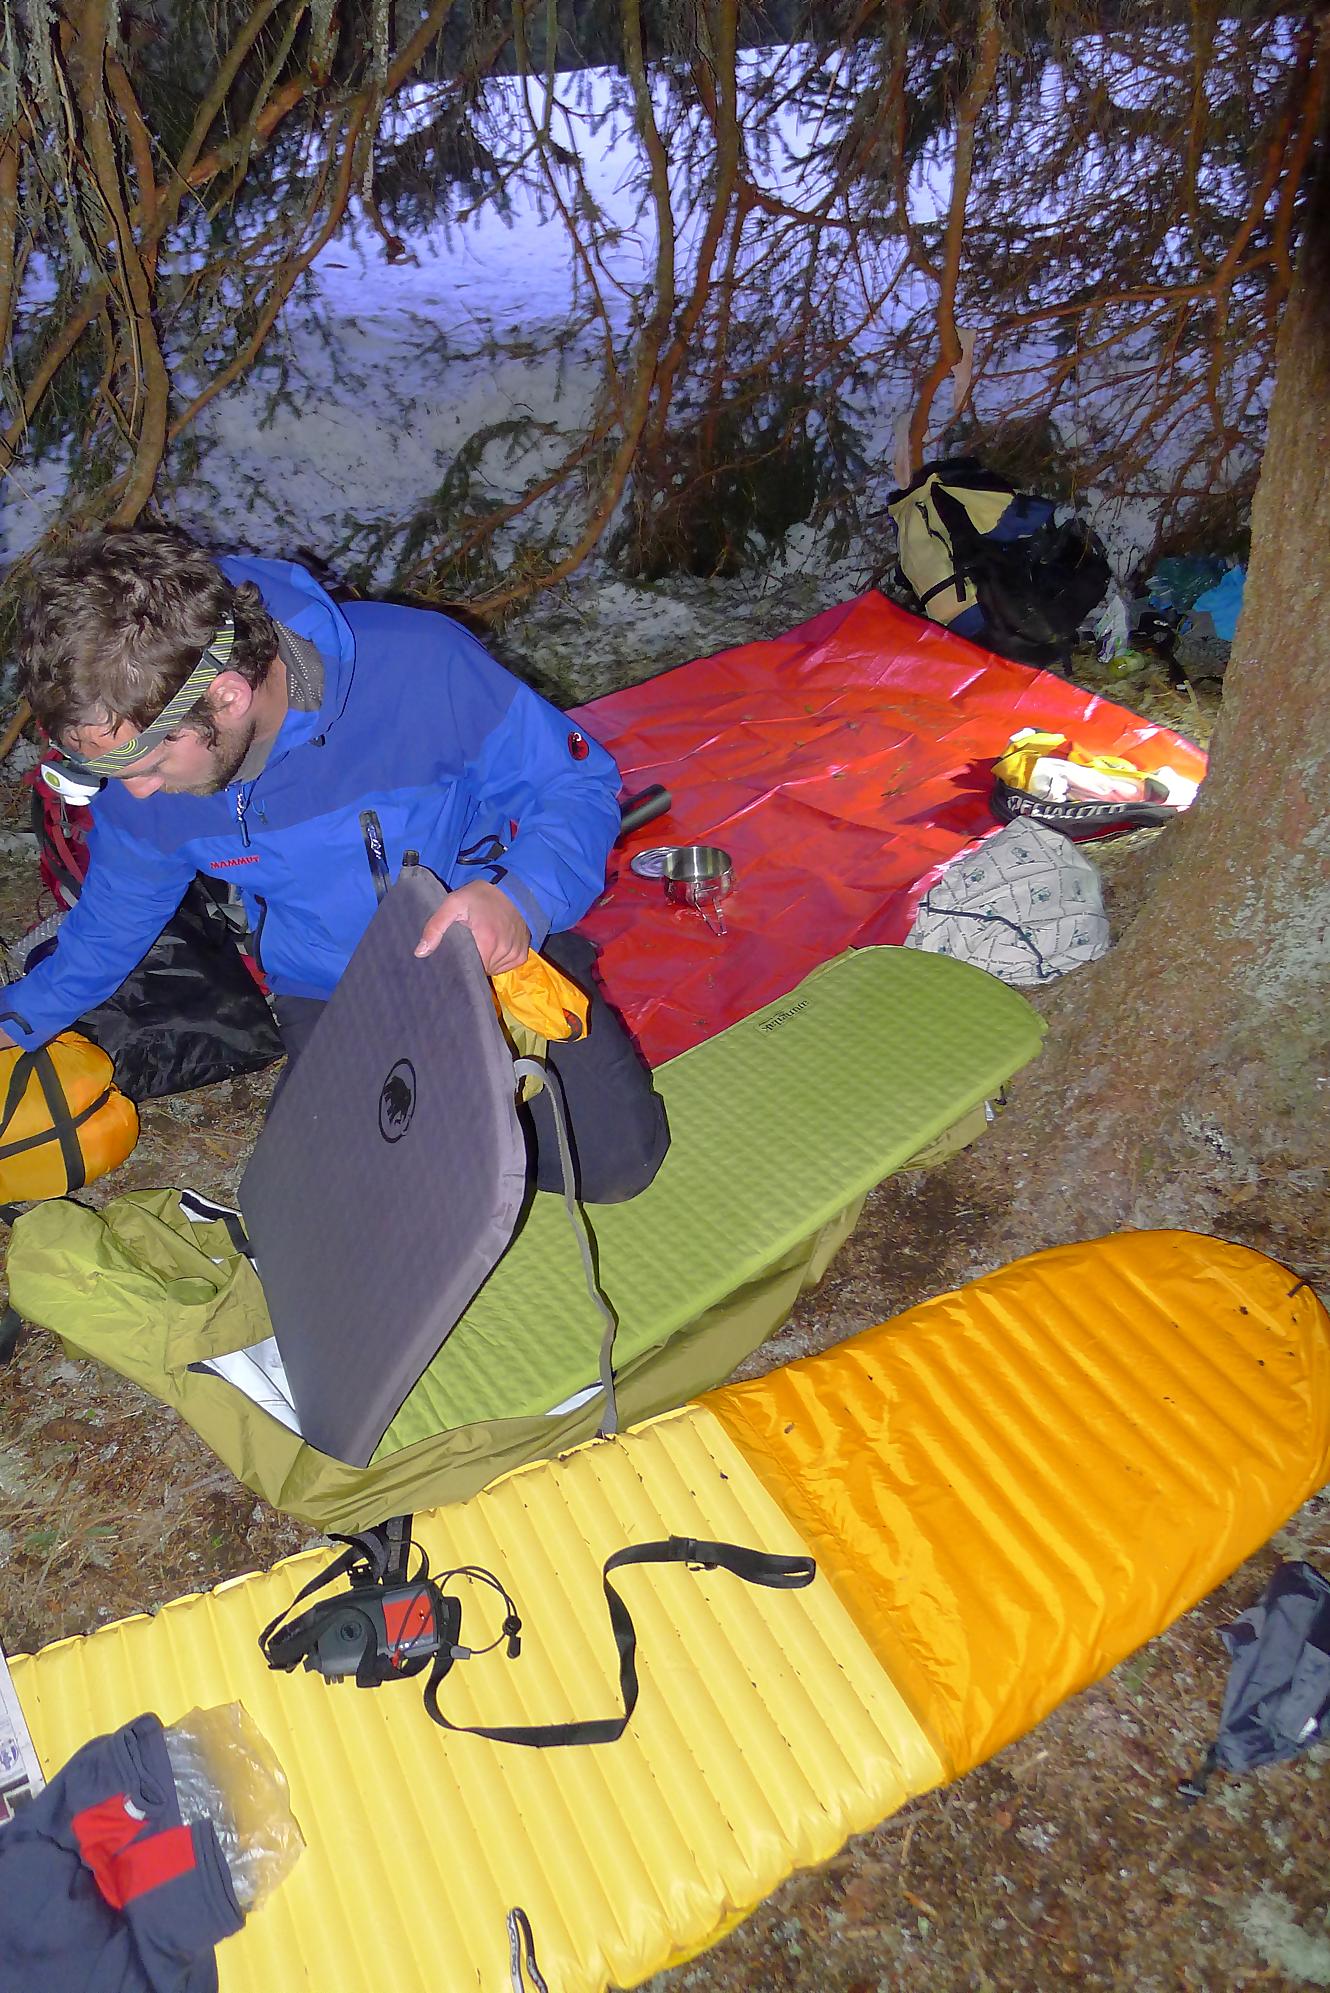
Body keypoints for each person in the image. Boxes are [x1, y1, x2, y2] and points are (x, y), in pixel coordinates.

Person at [0, 530, 669, 1202]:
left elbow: (575, 785)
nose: (135, 794)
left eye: (143, 765)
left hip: (485, 947)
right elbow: (108, 929)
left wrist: (519, 900)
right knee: (335, 1208)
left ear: (227, 698)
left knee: (613, 1161)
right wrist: (13, 1023)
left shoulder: (418, 665)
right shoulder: (148, 790)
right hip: (331, 987)